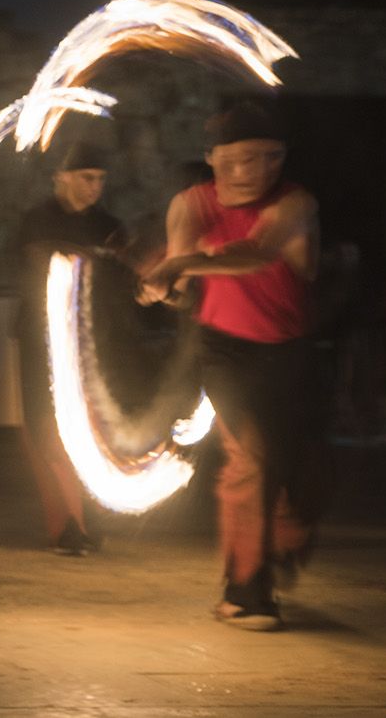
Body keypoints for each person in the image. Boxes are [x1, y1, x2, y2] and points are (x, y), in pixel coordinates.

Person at [140, 101, 325, 631]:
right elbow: (180, 285)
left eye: (268, 158)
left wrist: (178, 265)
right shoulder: (191, 203)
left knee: (303, 475)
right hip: (223, 350)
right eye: (238, 159)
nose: (252, 171)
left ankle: (279, 542)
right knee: (251, 459)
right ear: (211, 158)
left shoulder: (296, 203)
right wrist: (163, 288)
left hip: (289, 348)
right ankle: (246, 592)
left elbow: (257, 252)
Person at [13, 142, 125, 555]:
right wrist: (91, 258)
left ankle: (87, 519)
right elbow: (36, 260)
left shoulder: (108, 225)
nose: (94, 187)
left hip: (92, 342)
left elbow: (122, 278)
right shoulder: (38, 220)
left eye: (99, 180)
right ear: (61, 178)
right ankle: (66, 525)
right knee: (48, 431)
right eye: (85, 178)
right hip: (42, 340)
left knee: (92, 431)